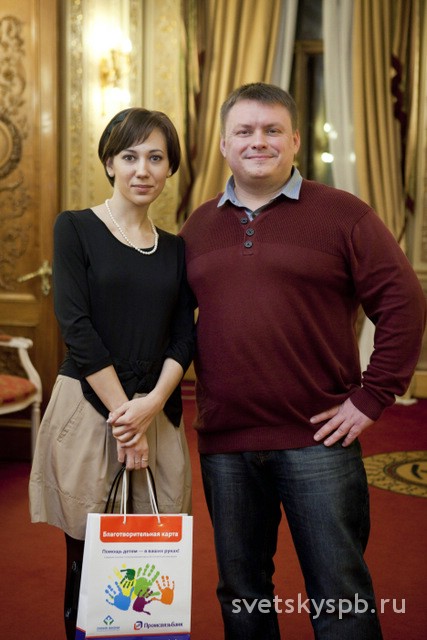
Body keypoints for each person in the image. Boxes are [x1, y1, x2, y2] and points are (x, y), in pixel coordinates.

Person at [179, 82, 427, 640]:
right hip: (225, 442)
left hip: (319, 439)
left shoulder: (343, 215)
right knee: (242, 592)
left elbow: (404, 302)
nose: (258, 141)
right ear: (223, 144)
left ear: (295, 140)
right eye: (244, 131)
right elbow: (171, 326)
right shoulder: (198, 226)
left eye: (272, 130)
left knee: (339, 593)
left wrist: (372, 396)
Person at [29, 107, 195, 640]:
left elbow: (183, 337)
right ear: (109, 163)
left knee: (149, 563)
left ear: (170, 169)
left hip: (157, 414)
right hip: (89, 408)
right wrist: (128, 420)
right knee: (89, 562)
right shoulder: (76, 227)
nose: (142, 169)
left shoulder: (176, 249)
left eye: (156, 158)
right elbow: (75, 327)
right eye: (129, 156)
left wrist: (151, 406)